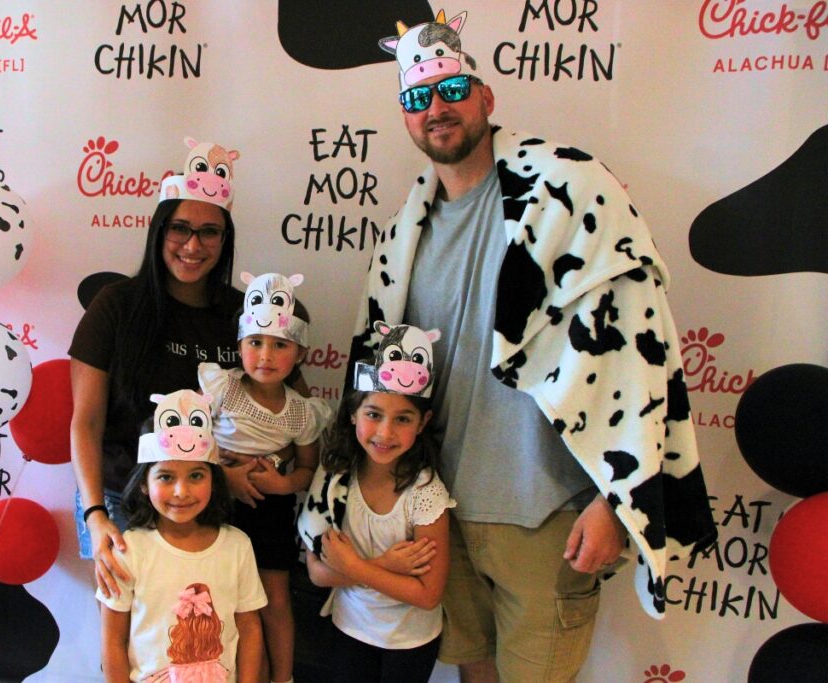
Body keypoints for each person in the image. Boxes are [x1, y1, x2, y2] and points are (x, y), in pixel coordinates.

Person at [349, 9, 718, 682]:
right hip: (440, 511)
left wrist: (616, 495)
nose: (437, 108)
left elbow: (639, 351)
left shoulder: (567, 192)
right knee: (472, 670)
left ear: (487, 98)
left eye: (453, 91)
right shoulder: (406, 234)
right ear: (405, 117)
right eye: (417, 98)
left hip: (545, 513)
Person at [70, 138, 256, 597]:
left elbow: (277, 407)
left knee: (202, 641)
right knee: (130, 645)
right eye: (180, 228)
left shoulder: (244, 315)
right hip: (118, 502)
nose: (193, 245)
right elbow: (85, 421)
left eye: (210, 231)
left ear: (225, 239)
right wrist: (95, 515)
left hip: (210, 503)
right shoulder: (115, 306)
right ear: (158, 232)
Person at [198, 271, 333, 683]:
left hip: (271, 509)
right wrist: (227, 476)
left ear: (300, 352)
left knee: (274, 597)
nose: (265, 355)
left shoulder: (301, 411)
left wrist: (283, 483)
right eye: (255, 343)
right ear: (239, 345)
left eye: (280, 345)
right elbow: (192, 447)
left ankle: (283, 677)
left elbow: (310, 469)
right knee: (218, 594)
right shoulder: (223, 389)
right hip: (217, 502)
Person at [299, 321, 452, 683]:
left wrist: (357, 567)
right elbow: (318, 573)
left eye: (403, 419)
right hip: (349, 630)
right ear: (353, 413)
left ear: (423, 422)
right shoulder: (334, 479)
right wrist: (386, 564)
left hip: (409, 642)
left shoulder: (426, 493)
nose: (385, 432)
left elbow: (428, 595)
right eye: (373, 415)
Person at [98, 389, 266, 682]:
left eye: (196, 476)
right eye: (165, 477)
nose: (181, 491)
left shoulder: (238, 546)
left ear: (214, 481)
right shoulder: (129, 550)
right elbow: (113, 640)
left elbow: (250, 628)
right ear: (143, 484)